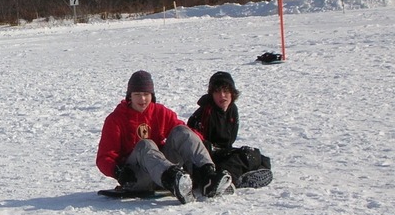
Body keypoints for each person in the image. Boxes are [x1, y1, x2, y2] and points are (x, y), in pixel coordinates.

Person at [96, 70, 232, 203]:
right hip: (136, 176)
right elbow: (104, 157)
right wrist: (118, 172)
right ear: (129, 96)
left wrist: (204, 144)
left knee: (181, 131)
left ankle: (208, 176)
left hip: (161, 169)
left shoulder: (159, 112)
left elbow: (185, 132)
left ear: (152, 95)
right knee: (146, 144)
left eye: (146, 94)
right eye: (137, 94)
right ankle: (173, 179)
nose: (142, 99)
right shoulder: (115, 119)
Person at [187, 71, 273, 189]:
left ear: (232, 93)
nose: (222, 96)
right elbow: (196, 144)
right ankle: (223, 178)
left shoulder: (232, 110)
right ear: (212, 95)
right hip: (207, 158)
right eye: (217, 92)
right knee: (243, 157)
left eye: (225, 91)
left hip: (223, 152)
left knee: (259, 158)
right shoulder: (206, 113)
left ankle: (240, 176)